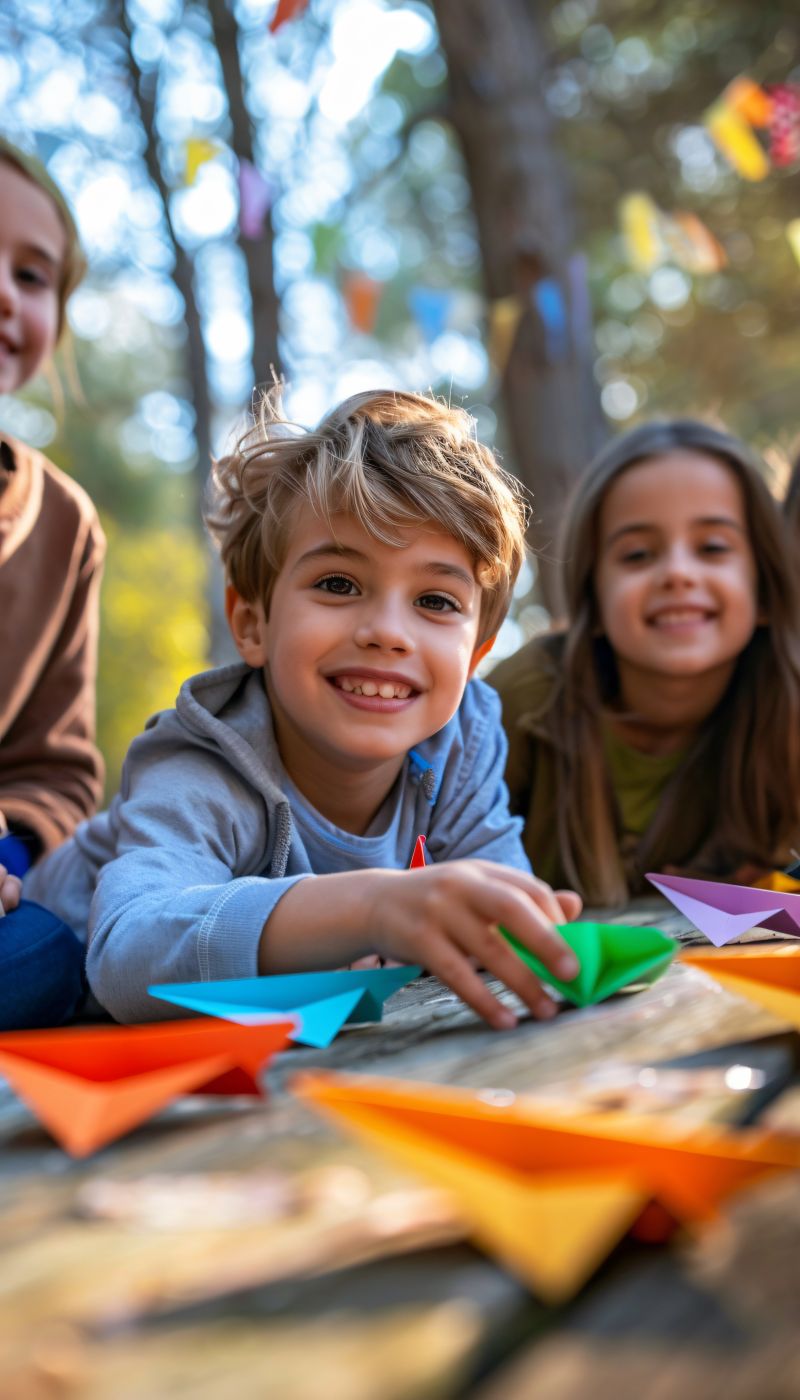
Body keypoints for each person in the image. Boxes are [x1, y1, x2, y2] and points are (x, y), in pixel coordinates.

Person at [26, 389, 582, 1029]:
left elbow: (499, 910)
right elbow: (126, 958)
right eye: (338, 584)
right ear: (252, 623)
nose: (387, 632)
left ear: (477, 653)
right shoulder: (203, 762)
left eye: (435, 601)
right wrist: (371, 907)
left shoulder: (460, 744)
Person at [489, 419, 800, 906]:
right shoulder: (524, 699)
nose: (677, 572)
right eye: (637, 555)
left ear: (764, 589)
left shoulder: (788, 708)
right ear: (592, 599)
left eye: (712, 548)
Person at [0, 138, 104, 1029]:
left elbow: (57, 769)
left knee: (51, 956)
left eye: (33, 276)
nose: (6, 293)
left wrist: (12, 849)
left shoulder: (64, 526)